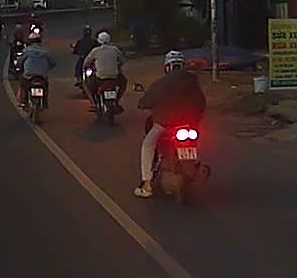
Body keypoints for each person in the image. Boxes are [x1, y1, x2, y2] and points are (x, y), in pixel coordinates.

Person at [135, 51, 206, 198]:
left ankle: (146, 185)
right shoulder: (193, 81)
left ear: (167, 67)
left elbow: (146, 100)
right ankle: (194, 167)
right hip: (190, 124)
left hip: (166, 124)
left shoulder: (162, 83)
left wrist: (143, 104)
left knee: (148, 144)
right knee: (195, 142)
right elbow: (202, 102)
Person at [82, 31, 127, 106]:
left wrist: (87, 66)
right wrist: (117, 65)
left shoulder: (95, 51)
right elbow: (123, 60)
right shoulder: (115, 49)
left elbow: (86, 63)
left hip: (100, 78)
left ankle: (93, 104)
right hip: (114, 77)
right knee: (124, 82)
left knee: (85, 84)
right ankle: (117, 101)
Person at [19, 30, 55, 107]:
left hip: (29, 75)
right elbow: (53, 63)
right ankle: (45, 102)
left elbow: (20, 62)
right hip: (42, 76)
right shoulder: (45, 51)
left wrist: (20, 68)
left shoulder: (26, 51)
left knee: (23, 85)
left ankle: (24, 102)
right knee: (46, 85)